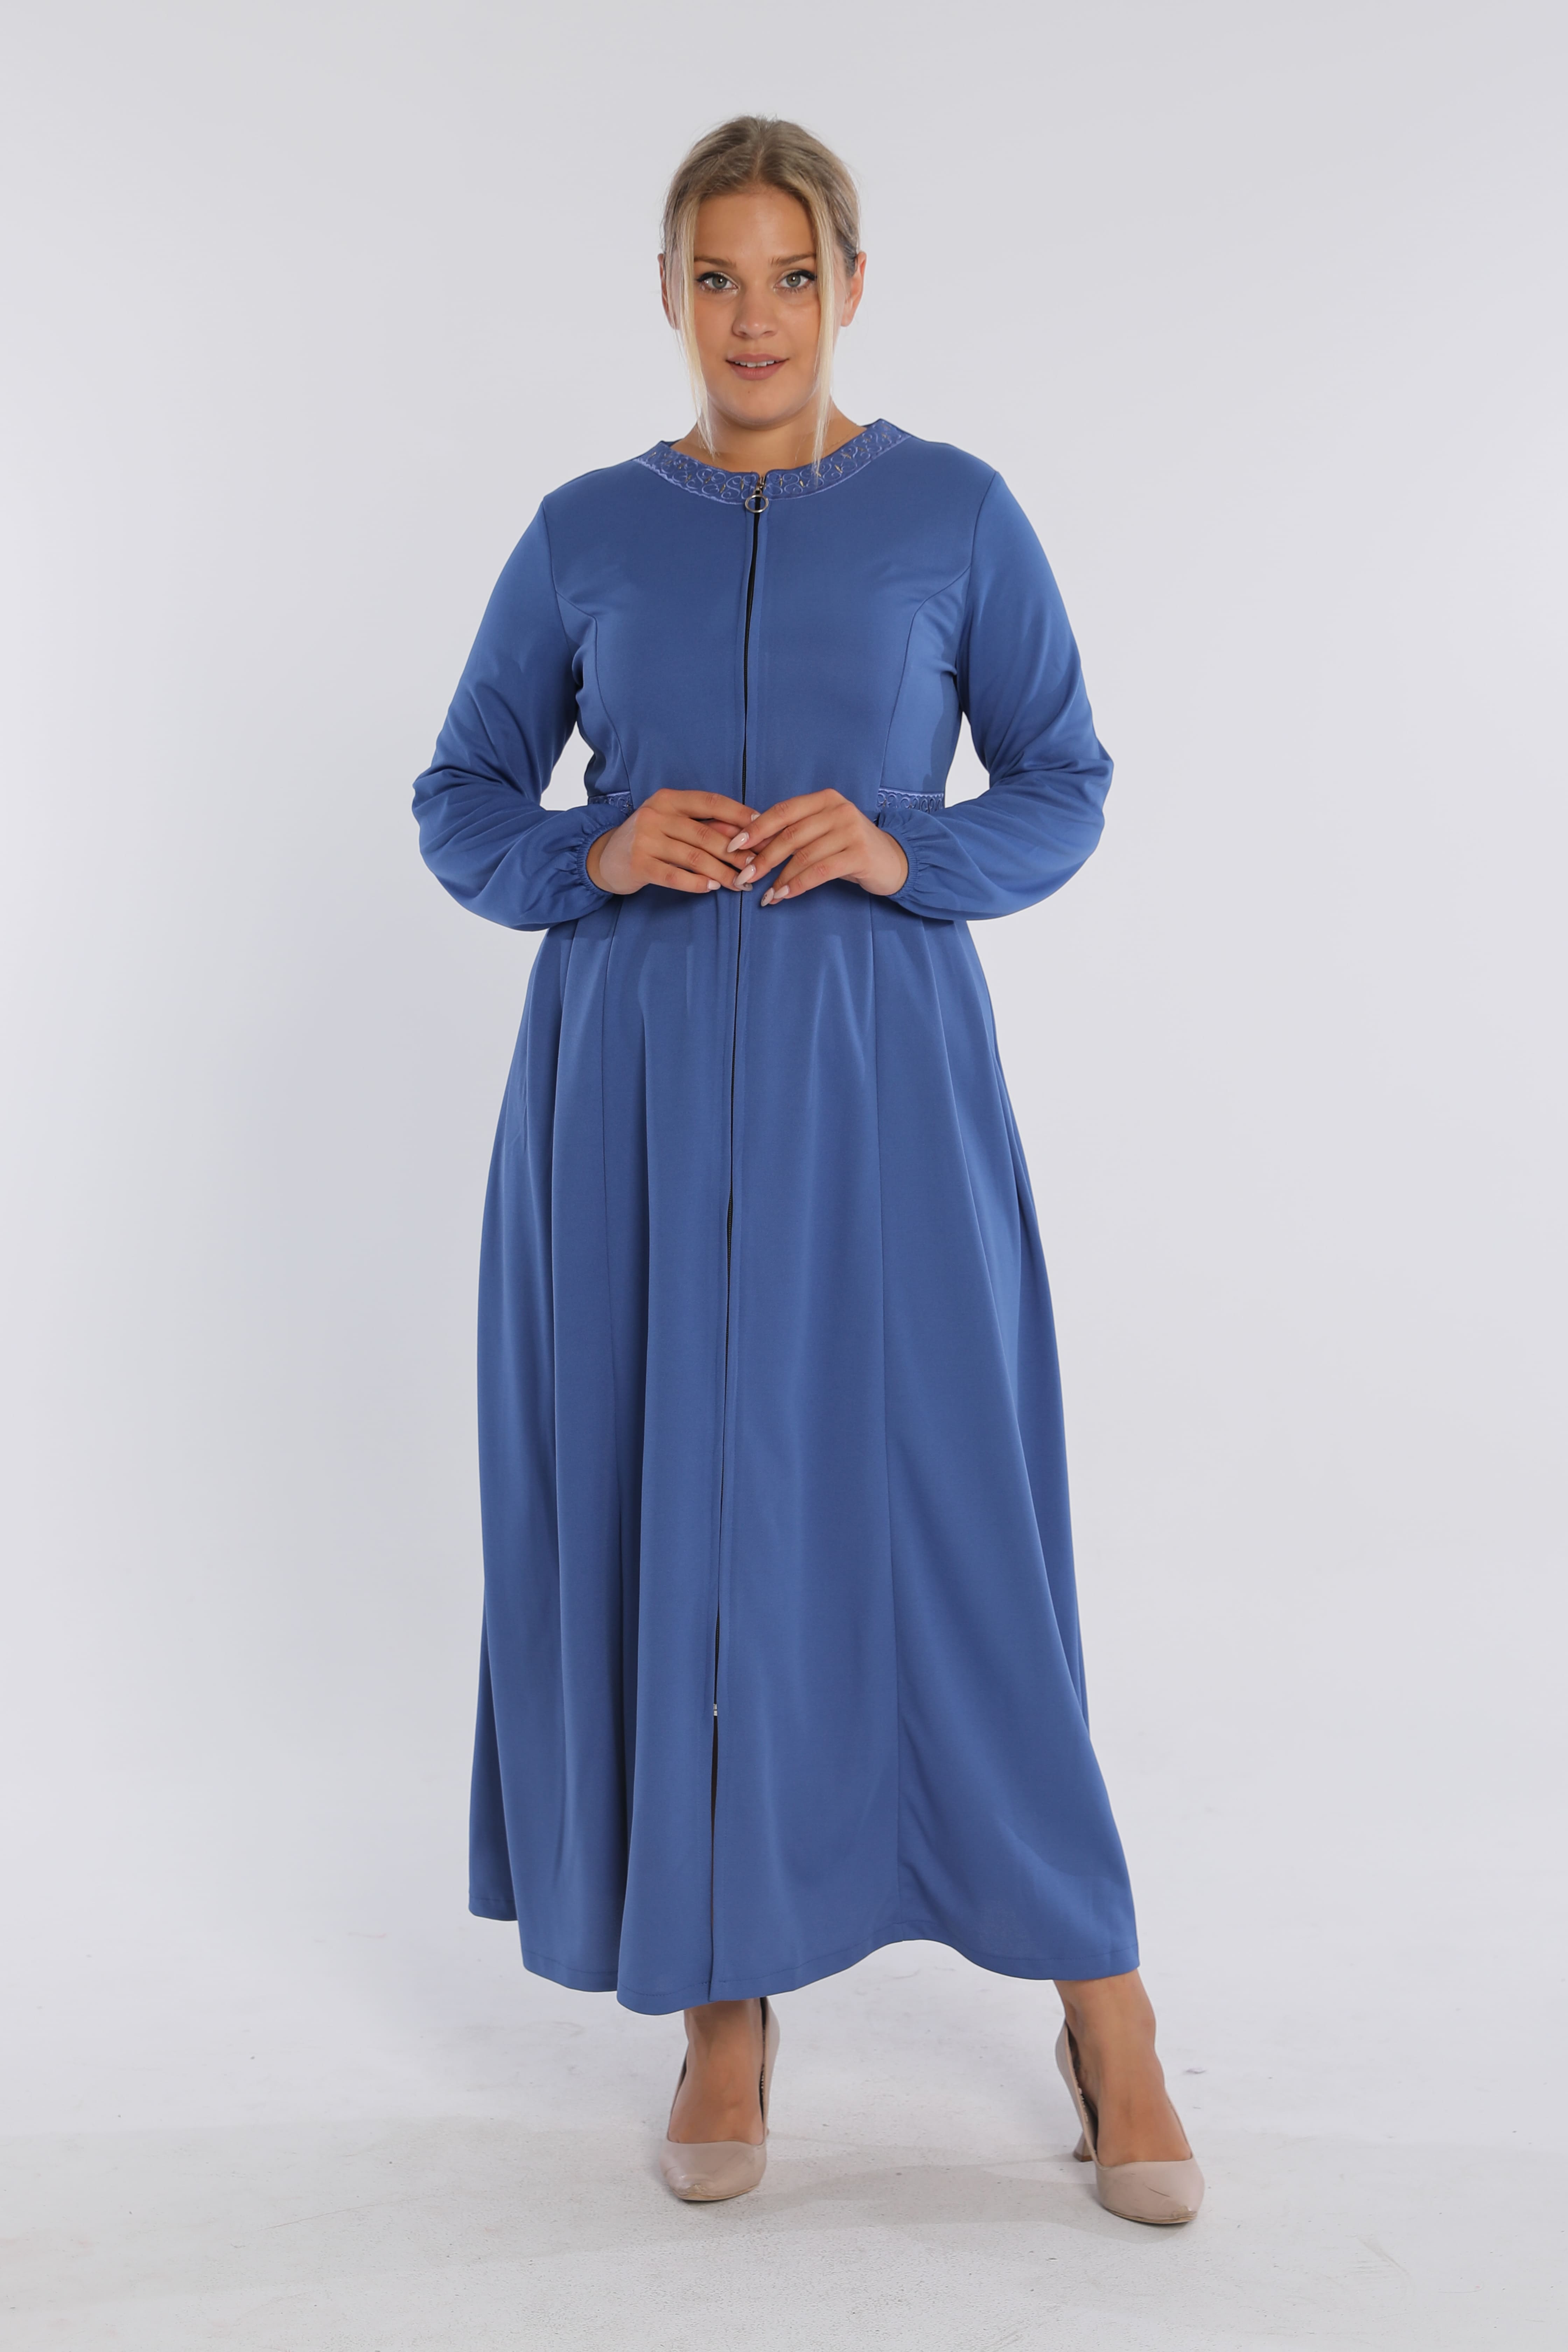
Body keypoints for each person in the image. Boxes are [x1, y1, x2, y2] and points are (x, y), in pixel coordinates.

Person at [412, 114, 1202, 2226]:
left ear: (850, 286)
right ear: (670, 297)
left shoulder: (956, 512)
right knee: (684, 1524)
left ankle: (1105, 2006)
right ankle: (723, 2004)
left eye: (788, 276)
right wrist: (593, 849)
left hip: (882, 1084)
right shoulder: (586, 531)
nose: (752, 319)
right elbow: (462, 793)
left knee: (958, 1525)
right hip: (633, 1093)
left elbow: (1065, 778)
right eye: (715, 278)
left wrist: (902, 840)